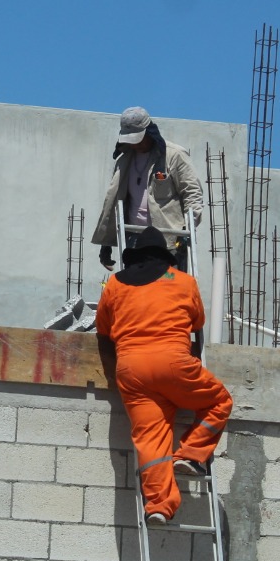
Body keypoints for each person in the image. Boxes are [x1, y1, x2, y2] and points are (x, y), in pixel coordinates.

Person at [95, 226, 232, 525]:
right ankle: (190, 454)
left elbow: (103, 328)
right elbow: (197, 322)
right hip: (172, 362)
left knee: (150, 437)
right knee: (219, 402)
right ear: (165, 257)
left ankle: (158, 505)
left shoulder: (115, 283)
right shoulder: (183, 281)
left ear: (134, 257)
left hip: (131, 369)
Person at [92, 106, 204, 272]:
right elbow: (114, 202)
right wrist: (106, 243)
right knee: (136, 285)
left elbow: (192, 193)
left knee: (169, 284)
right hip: (134, 239)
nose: (135, 144)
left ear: (149, 132)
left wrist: (187, 230)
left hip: (168, 241)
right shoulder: (124, 161)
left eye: (138, 139)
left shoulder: (174, 155)